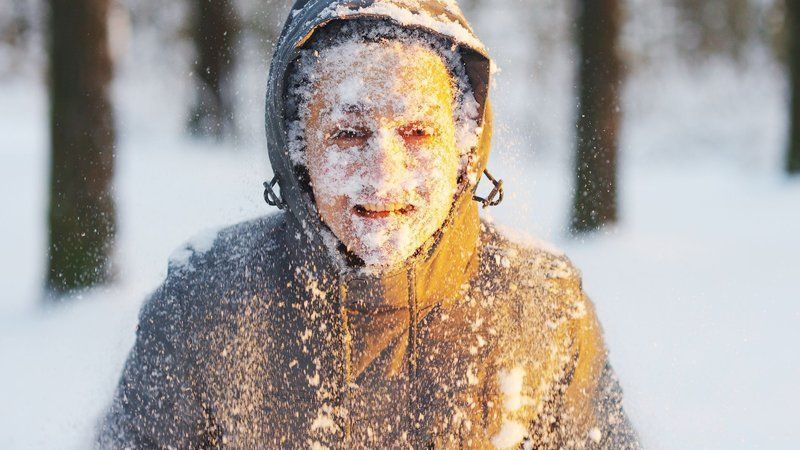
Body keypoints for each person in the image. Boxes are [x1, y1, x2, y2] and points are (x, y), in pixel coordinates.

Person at [97, 0, 641, 449]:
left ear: (465, 145)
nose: (385, 177)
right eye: (349, 134)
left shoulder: (539, 306)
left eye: (418, 134)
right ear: (297, 150)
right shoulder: (205, 305)